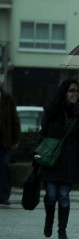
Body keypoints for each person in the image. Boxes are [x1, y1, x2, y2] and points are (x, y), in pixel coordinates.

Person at [37, 79, 79, 239]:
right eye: (72, 91)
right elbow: (43, 133)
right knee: (51, 195)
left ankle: (62, 230)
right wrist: (38, 155)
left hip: (69, 160)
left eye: (77, 91)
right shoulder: (53, 110)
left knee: (64, 195)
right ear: (64, 92)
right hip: (51, 159)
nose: (75, 94)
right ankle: (49, 220)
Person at [0, 78, 20, 206]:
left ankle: (4, 195)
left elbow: (15, 120)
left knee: (4, 166)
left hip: (4, 139)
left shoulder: (7, 98)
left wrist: (16, 139)